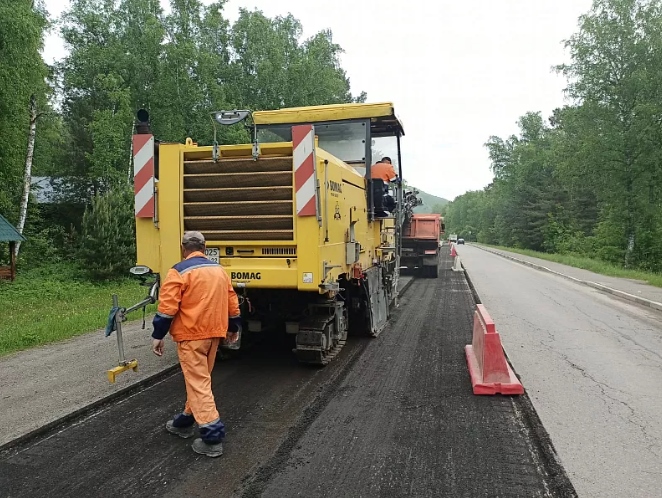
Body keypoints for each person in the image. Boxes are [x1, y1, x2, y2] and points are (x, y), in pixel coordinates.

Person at [151, 231, 241, 458]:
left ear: (183, 248)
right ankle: (184, 421)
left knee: (199, 383)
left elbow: (167, 308)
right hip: (214, 335)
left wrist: (158, 334)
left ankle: (212, 436)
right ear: (204, 247)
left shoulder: (178, 271)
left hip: (191, 336)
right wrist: (233, 328)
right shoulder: (219, 271)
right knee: (200, 380)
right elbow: (232, 301)